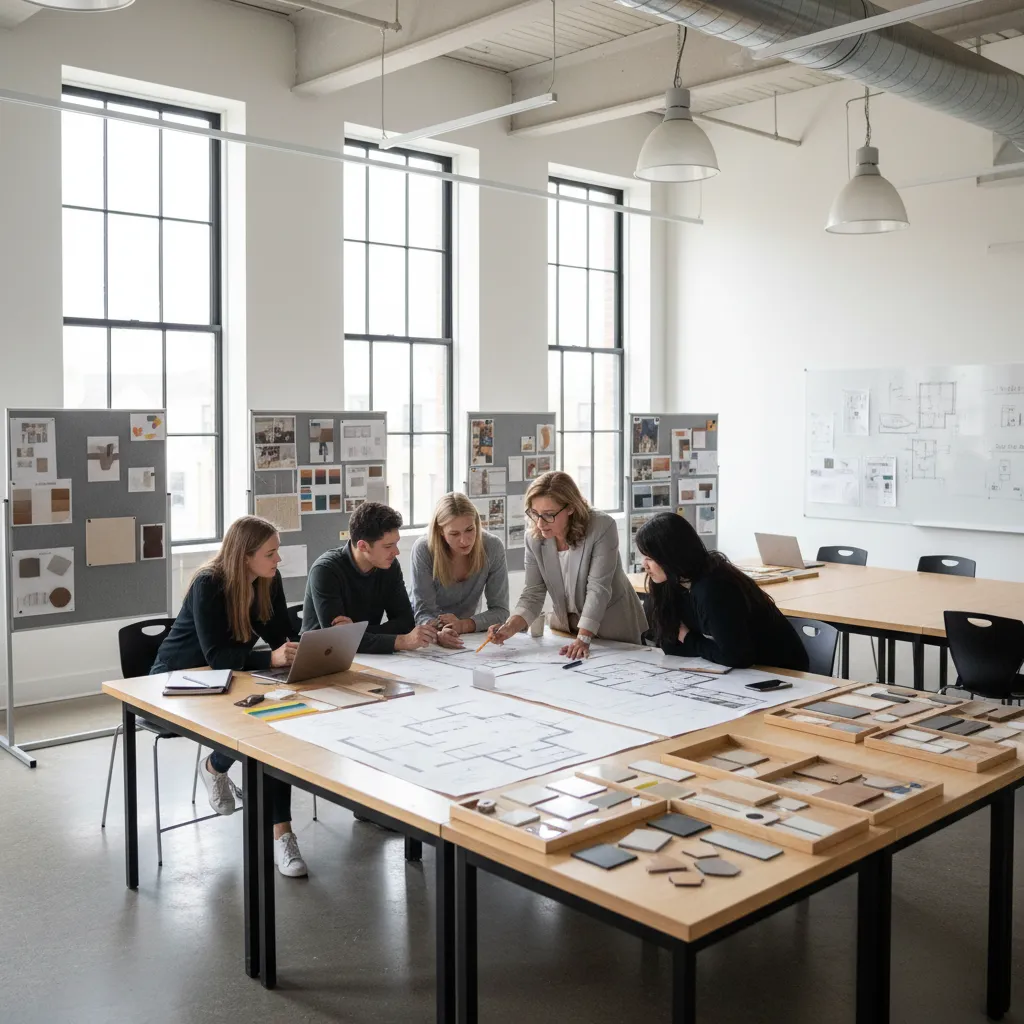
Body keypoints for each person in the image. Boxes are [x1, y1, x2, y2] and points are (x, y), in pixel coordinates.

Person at [150, 515, 308, 878]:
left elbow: (280, 631)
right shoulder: (210, 584)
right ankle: (217, 769)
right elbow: (215, 656)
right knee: (264, 733)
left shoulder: (268, 579)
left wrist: (310, 642)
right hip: (180, 680)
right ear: (245, 556)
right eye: (271, 553)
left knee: (276, 731)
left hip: (233, 677)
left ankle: (278, 831)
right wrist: (271, 658)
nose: (278, 560)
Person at [488, 471, 647, 658]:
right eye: (534, 513)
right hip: (567, 631)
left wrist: (584, 638)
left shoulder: (602, 527)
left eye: (548, 515)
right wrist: (509, 628)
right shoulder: (534, 538)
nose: (540, 523)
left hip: (612, 628)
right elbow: (533, 592)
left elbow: (598, 589)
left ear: (570, 508)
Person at [635, 512, 809, 670]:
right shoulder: (668, 584)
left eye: (650, 558)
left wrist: (690, 639)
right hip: (736, 672)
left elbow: (736, 656)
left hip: (777, 672)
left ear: (671, 557)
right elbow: (670, 644)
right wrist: (696, 644)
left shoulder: (714, 588)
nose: (644, 565)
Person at [302, 501, 436, 652]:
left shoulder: (390, 566)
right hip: (321, 657)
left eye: (396, 543)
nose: (396, 552)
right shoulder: (325, 570)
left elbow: (405, 622)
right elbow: (338, 640)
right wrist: (400, 641)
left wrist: (356, 632)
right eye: (388, 546)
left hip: (368, 657)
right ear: (363, 546)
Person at [410, 493, 509, 649]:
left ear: (477, 523)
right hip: (426, 636)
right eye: (454, 534)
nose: (464, 540)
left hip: (467, 636)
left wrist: (463, 625)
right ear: (441, 531)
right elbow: (423, 611)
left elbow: (501, 611)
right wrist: (438, 633)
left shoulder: (492, 547)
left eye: (470, 530)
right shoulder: (424, 549)